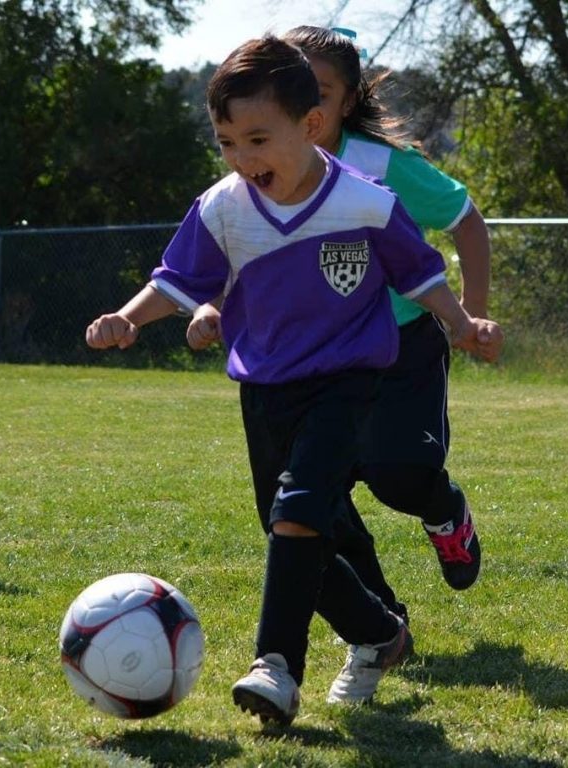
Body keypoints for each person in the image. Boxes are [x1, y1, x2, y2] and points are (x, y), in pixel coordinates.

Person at [86, 36, 501, 725]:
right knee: (289, 526)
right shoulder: (224, 206)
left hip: (347, 381)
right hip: (266, 388)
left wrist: (462, 323)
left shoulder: (364, 201)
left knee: (300, 508)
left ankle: (275, 666)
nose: (243, 160)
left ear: (310, 127)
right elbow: (178, 278)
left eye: (257, 139)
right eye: (226, 143)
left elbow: (419, 270)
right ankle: (378, 634)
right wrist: (128, 319)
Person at [188, 26, 501, 622]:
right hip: (311, 356)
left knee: (397, 473)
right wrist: (212, 307)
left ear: (344, 101)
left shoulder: (382, 167)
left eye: (321, 90)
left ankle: (443, 509)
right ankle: (379, 618)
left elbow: (466, 220)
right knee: (312, 497)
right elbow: (236, 252)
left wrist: (472, 314)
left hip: (401, 346)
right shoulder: (254, 174)